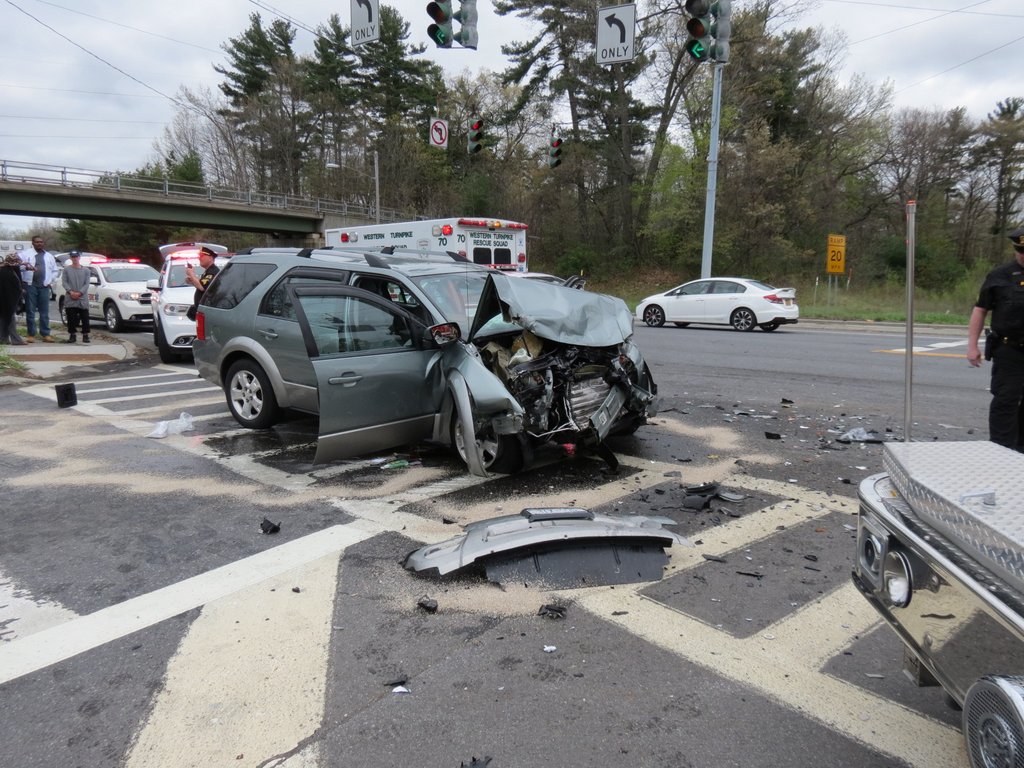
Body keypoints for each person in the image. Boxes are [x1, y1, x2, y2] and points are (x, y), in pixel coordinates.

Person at [967, 226, 1024, 449]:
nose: (1023, 256)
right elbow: (980, 310)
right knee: (1006, 401)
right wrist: (972, 346)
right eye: (1020, 251)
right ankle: (1000, 452)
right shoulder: (1000, 276)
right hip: (1009, 350)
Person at [18, 234, 59, 342]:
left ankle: (45, 334)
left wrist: (50, 281)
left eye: (41, 242)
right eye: (37, 242)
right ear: (33, 243)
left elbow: (55, 271)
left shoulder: (49, 256)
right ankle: (31, 334)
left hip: (44, 286)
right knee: (30, 311)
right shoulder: (25, 254)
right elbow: (18, 267)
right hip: (30, 285)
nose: (39, 243)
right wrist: (25, 267)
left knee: (44, 311)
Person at [61, 250, 91, 344]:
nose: (75, 258)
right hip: (70, 297)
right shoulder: (66, 270)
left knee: (85, 317)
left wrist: (80, 293)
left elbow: (87, 284)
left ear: (79, 257)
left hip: (82, 298)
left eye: (76, 256)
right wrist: (70, 292)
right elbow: (64, 282)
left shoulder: (86, 270)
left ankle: (85, 335)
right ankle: (72, 334)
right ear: (70, 258)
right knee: (71, 318)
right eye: (73, 257)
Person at [184, 246, 220, 319]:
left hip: (208, 313)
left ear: (210, 258)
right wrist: (192, 281)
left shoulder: (212, 271)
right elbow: (203, 286)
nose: (199, 258)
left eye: (202, 256)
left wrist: (191, 274)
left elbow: (202, 287)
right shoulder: (208, 271)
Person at [0, 253, 27, 345]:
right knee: (10, 319)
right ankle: (16, 340)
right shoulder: (7, 272)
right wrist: (20, 292)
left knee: (4, 318)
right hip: (8, 299)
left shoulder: (6, 270)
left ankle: (3, 338)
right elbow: (10, 288)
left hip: (5, 299)